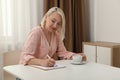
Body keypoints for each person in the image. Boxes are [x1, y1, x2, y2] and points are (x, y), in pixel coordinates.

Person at [19, 7, 86, 67]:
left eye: (58, 23)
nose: (55, 26)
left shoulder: (56, 35)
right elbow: (25, 56)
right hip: (26, 71)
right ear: (46, 17)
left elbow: (63, 53)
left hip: (42, 71)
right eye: (53, 21)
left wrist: (76, 56)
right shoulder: (36, 32)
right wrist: (42, 62)